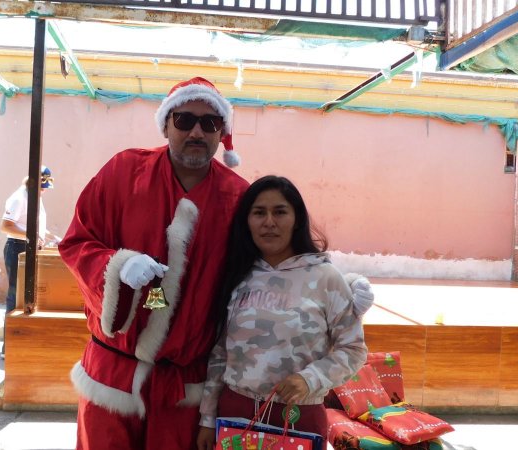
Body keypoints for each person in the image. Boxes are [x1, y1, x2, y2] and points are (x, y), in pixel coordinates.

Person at [57, 77, 250, 449]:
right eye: (184, 120)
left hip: (185, 389)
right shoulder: (122, 172)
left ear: (222, 133)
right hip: (112, 378)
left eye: (210, 123)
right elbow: (76, 243)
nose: (197, 131)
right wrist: (116, 266)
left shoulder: (239, 198)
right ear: (166, 125)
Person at [196, 175, 373, 450]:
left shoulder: (325, 278)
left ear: (297, 219)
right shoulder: (238, 276)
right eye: (259, 213)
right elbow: (220, 353)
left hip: (298, 418)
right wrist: (207, 419)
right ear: (247, 221)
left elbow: (353, 350)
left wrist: (309, 379)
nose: (269, 222)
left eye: (280, 212)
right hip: (235, 415)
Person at [0, 165, 60, 354]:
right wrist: (31, 235)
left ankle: (24, 340)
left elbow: (33, 225)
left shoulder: (34, 197)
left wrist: (52, 236)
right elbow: (6, 226)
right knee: (15, 295)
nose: (44, 191)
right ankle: (8, 346)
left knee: (29, 295)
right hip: (17, 248)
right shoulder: (19, 198)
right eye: (42, 186)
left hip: (30, 247)